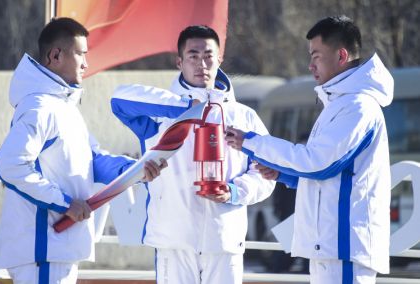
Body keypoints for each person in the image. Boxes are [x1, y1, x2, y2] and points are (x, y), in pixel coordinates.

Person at [0, 17, 166, 284]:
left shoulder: (64, 109)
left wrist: (138, 170)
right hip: (43, 253)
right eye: (81, 54)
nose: (87, 64)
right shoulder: (39, 108)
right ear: (55, 55)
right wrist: (65, 203)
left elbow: (93, 161)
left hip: (58, 251)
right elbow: (9, 165)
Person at [226, 15, 393, 284]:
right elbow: (330, 174)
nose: (310, 64)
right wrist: (284, 175)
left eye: (316, 55)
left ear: (341, 55)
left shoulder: (358, 106)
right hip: (330, 248)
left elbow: (319, 164)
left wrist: (252, 142)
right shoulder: (340, 104)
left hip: (344, 249)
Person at [111, 25, 274, 283]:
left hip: (224, 242)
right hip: (174, 243)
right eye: (193, 56)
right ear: (180, 62)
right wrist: (186, 107)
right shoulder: (160, 113)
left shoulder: (244, 116)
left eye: (208, 55)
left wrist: (233, 191)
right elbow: (118, 100)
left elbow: (266, 174)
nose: (202, 63)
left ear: (219, 58)